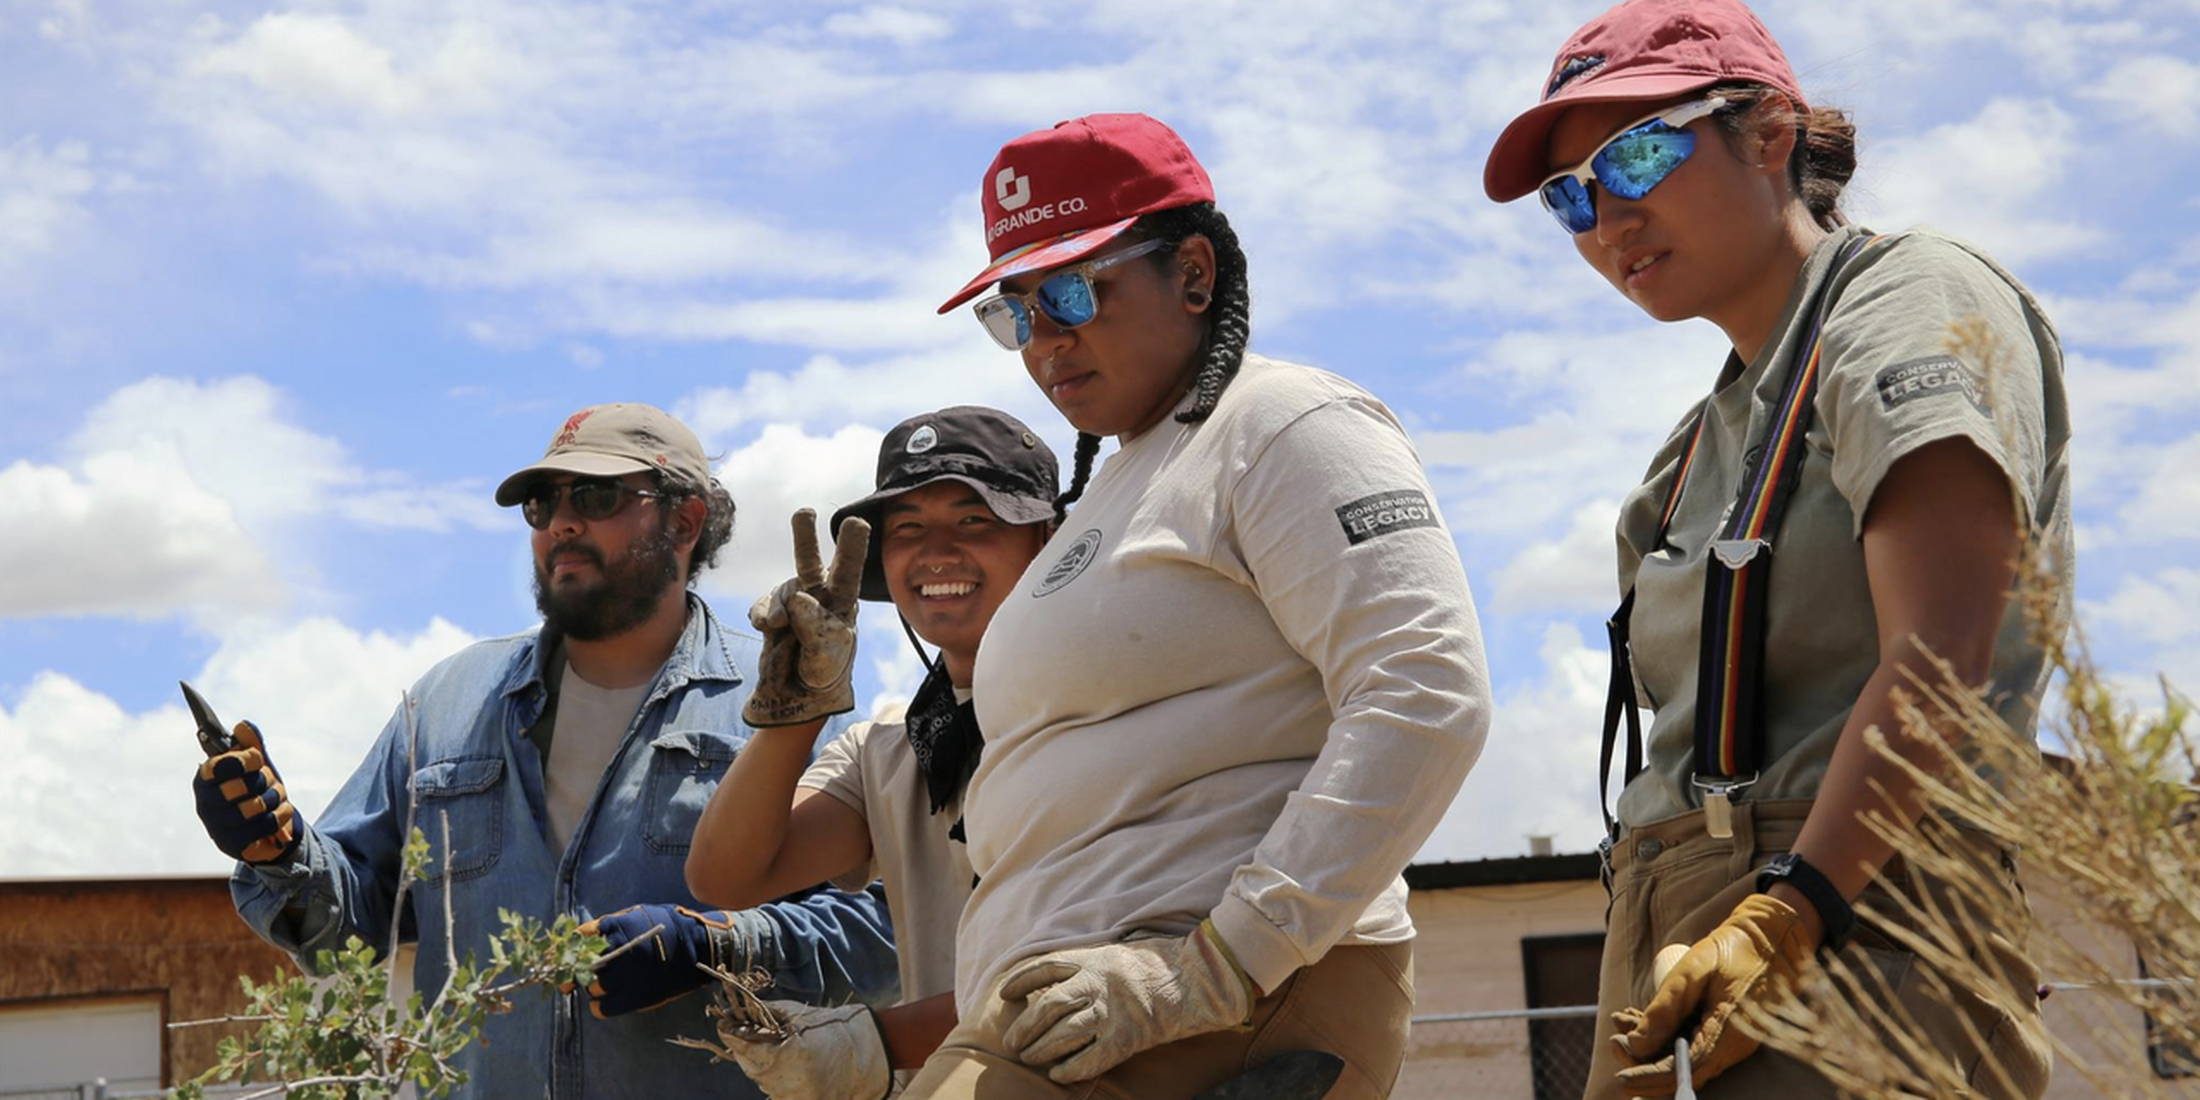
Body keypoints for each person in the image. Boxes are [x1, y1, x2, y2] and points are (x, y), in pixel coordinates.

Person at [1481, 1, 2071, 1097]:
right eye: (1570, 196)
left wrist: (1794, 911)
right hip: (1689, 955)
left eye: (1638, 155)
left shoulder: (1908, 299)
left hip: (1834, 928)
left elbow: (1941, 650)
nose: (1606, 216)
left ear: (1770, 135)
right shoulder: (1695, 446)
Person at [896, 112, 1492, 1100]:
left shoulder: (1283, 423)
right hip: (1077, 1013)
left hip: (1220, 998)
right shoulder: (1118, 487)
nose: (1045, 340)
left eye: (1074, 291)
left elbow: (1424, 690)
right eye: (1015, 312)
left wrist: (1217, 964)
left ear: (1195, 274)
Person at [191, 403, 900, 1100]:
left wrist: (714, 947)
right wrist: (279, 854)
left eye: (595, 496)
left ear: (685, 521)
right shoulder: (444, 704)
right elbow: (347, 932)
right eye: (541, 503)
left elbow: (884, 933)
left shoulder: (785, 701)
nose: (561, 521)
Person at [681, 406, 1063, 1100]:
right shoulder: (892, 749)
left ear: (1048, 540)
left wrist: (877, 1043)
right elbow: (726, 877)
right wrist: (797, 707)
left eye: (974, 520)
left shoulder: (1106, 715)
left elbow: (1082, 973)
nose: (938, 551)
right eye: (908, 529)